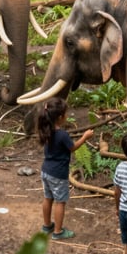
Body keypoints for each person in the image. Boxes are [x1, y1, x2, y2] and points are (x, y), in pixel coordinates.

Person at [38, 97, 93, 240]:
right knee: (60, 202)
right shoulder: (62, 135)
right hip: (58, 174)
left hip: (45, 171)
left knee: (47, 198)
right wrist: (85, 137)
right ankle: (58, 231)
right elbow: (73, 147)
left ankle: (46, 225)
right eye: (65, 114)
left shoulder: (45, 130)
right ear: (61, 117)